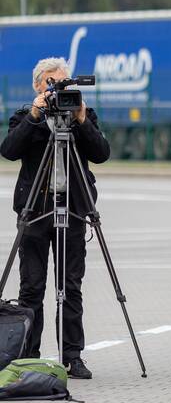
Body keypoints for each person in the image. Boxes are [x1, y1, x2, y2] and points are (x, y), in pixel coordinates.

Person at [1, 57, 110, 379]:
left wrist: (80, 120)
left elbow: (101, 154)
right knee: (31, 288)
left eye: (64, 82)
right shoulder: (25, 116)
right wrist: (35, 115)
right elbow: (8, 150)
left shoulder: (83, 115)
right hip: (35, 211)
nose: (58, 89)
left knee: (70, 286)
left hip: (73, 209)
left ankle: (72, 355)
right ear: (38, 86)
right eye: (52, 83)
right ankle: (28, 354)